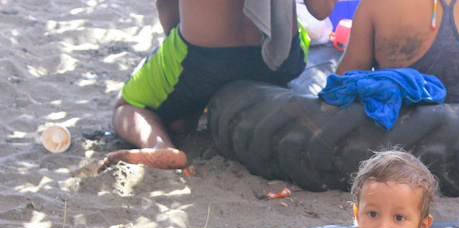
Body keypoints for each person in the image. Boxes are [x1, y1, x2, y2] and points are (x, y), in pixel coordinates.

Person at [99, 0, 336, 172]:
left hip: (203, 58)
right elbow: (321, 9)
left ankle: (162, 145)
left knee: (126, 105)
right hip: (279, 56)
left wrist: (175, 46)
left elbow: (165, 5)